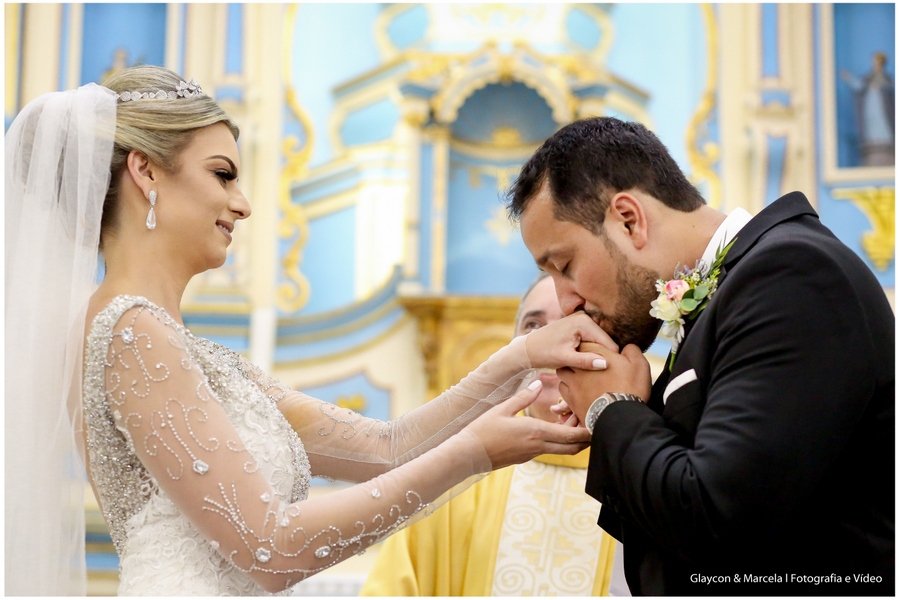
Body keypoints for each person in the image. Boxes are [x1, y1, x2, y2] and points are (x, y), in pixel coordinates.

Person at [5, 66, 615, 595]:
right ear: (146, 172)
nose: (243, 203)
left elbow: (385, 448)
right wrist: (474, 453)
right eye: (223, 174)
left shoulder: (194, 353)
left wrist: (521, 356)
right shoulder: (131, 332)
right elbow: (270, 549)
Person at [505, 117, 894, 595]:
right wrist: (620, 413)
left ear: (629, 219)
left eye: (565, 266)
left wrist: (613, 412)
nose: (567, 303)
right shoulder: (728, 291)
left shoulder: (793, 275)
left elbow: (717, 520)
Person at [360, 272, 630, 597]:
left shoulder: (635, 471)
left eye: (570, 323)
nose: (550, 342)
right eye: (533, 325)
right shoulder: (458, 473)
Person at [841, 51, 894, 167]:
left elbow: (890, 90)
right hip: (871, 109)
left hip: (883, 109)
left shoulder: (887, 78)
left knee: (884, 124)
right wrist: (849, 78)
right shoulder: (869, 78)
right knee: (871, 125)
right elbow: (859, 86)